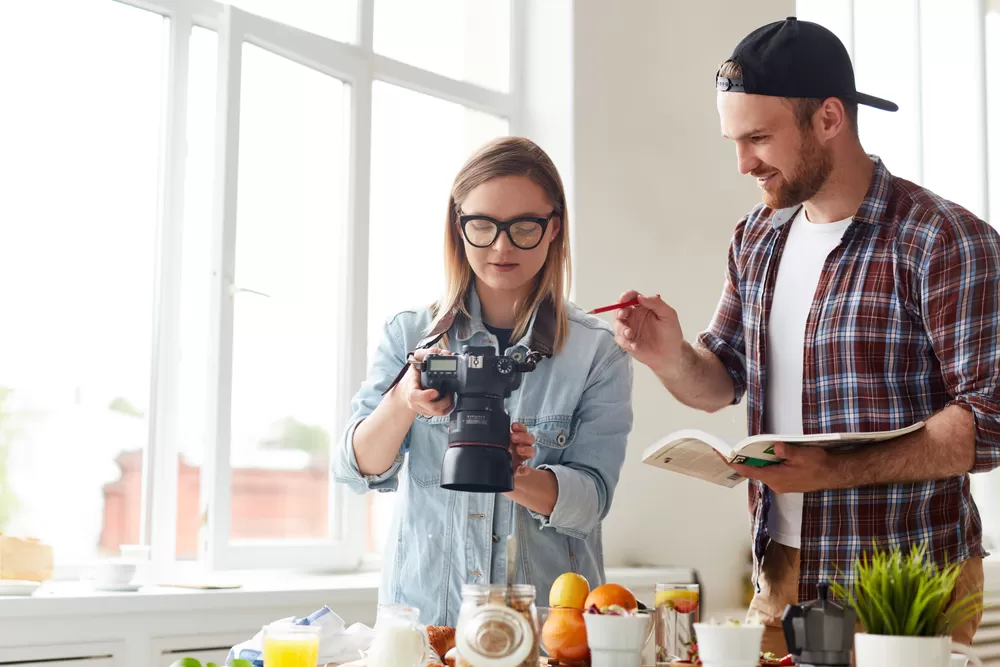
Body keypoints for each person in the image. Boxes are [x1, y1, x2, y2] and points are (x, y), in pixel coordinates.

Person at [614, 17, 1000, 654]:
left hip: (906, 580)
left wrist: (832, 471)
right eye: (734, 141)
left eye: (759, 138)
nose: (742, 163)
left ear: (828, 119)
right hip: (784, 573)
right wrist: (669, 355)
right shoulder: (756, 238)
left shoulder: (944, 239)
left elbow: (989, 420)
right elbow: (720, 381)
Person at [334, 136, 633, 626]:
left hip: (545, 635)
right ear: (459, 227)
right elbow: (355, 469)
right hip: (427, 630)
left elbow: (591, 503)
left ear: (553, 228)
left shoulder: (596, 352)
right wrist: (406, 399)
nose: (501, 246)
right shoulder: (412, 334)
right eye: (483, 225)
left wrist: (516, 476)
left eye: (524, 227)